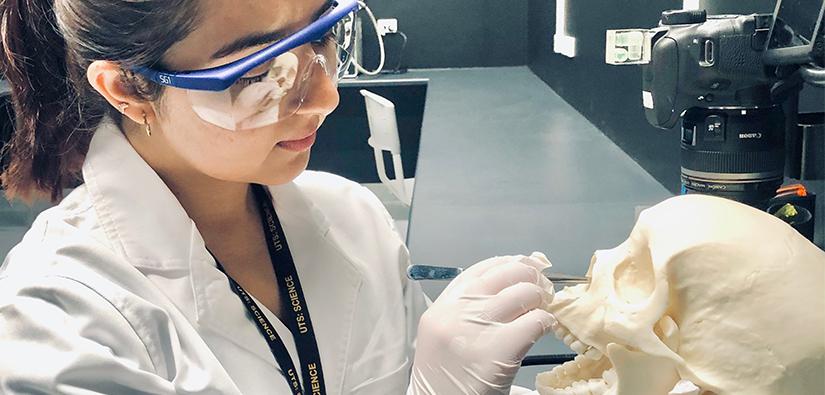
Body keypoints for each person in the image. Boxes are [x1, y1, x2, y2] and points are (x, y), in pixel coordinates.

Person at [0, 0, 557, 393]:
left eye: (322, 37)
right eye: (263, 72)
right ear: (127, 90)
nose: (325, 97)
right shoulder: (58, 323)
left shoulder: (351, 216)